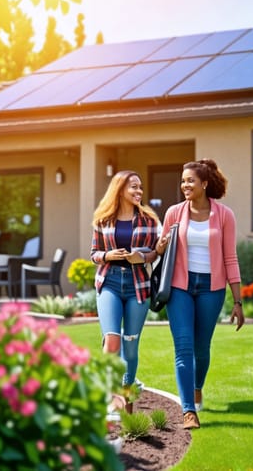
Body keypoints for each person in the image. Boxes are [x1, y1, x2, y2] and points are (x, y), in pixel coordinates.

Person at [157, 159, 244, 430]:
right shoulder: (173, 213)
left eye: (190, 181)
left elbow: (230, 257)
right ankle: (188, 410)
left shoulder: (224, 215)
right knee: (183, 346)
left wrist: (238, 300)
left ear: (204, 184)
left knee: (201, 348)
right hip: (180, 286)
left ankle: (197, 387)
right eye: (182, 181)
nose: (184, 185)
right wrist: (159, 246)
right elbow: (161, 251)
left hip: (211, 288)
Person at [90, 170, 160, 416]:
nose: (139, 191)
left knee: (130, 347)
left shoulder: (149, 220)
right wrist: (108, 255)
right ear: (120, 189)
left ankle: (128, 402)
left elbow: (155, 253)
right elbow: (94, 253)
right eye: (133, 187)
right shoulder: (103, 220)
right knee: (112, 340)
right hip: (108, 282)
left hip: (137, 286)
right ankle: (110, 399)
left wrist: (140, 257)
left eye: (140, 187)